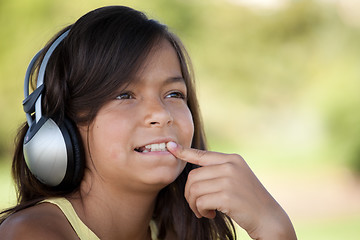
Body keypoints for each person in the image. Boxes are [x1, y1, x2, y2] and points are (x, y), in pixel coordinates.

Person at [0, 6, 297, 240]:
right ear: (61, 128)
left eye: (174, 93)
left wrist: (273, 227)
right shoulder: (30, 234)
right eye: (125, 94)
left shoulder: (178, 230)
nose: (162, 113)